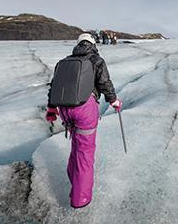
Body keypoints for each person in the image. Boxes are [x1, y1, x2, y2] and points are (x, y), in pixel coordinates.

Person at [45, 33, 122, 209]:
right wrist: (114, 101)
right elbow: (105, 83)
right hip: (84, 110)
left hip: (65, 110)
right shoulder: (96, 60)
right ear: (93, 44)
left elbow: (54, 86)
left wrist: (51, 109)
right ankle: (81, 199)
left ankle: (75, 183)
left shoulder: (63, 62)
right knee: (85, 154)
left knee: (77, 149)